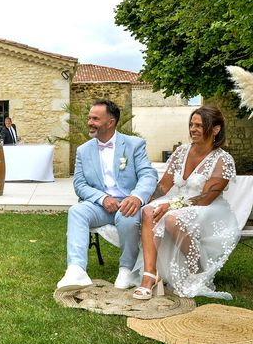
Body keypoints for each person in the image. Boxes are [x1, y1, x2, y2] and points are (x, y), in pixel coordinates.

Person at [133, 105, 239, 300]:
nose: (193, 129)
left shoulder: (223, 160)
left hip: (207, 209)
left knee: (172, 218)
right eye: (191, 124)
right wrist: (143, 203)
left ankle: (196, 268)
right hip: (178, 201)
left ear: (215, 129)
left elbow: (206, 198)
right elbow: (164, 186)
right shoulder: (181, 151)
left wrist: (170, 206)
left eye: (200, 125)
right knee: (148, 211)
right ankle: (150, 275)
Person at [57, 99, 158, 291]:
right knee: (77, 211)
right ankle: (76, 269)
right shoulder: (83, 150)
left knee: (127, 217)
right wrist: (102, 198)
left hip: (128, 203)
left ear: (110, 122)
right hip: (100, 205)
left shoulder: (134, 145)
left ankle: (126, 270)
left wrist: (136, 197)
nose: (90, 122)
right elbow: (79, 184)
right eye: (89, 118)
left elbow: (148, 175)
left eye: (95, 118)